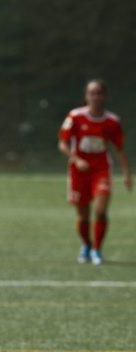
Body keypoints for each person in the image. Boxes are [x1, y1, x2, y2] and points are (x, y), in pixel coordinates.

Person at [58, 79, 131, 265]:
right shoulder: (75, 117)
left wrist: (127, 174)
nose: (95, 96)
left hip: (101, 170)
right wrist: (77, 159)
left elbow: (119, 149)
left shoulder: (112, 121)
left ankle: (97, 249)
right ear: (86, 96)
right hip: (78, 171)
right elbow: (62, 143)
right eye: (92, 92)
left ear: (104, 96)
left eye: (99, 92)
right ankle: (86, 245)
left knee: (100, 210)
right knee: (83, 215)